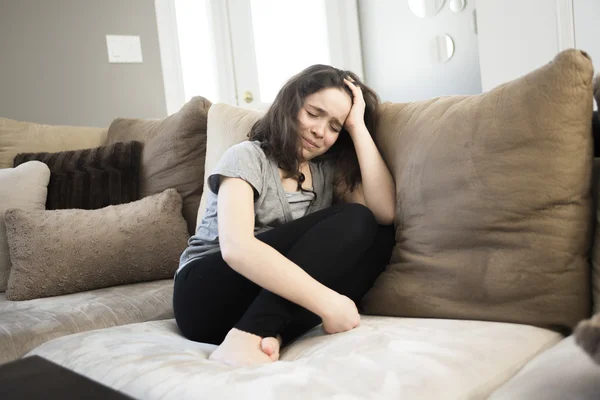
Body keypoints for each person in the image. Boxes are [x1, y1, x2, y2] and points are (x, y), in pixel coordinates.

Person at [173, 64, 396, 366]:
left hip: (254, 306)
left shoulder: (326, 172)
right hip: (204, 296)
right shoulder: (247, 157)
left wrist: (357, 126)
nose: (320, 131)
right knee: (354, 218)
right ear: (291, 105)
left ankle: (265, 332)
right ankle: (252, 332)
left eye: (334, 127)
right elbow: (236, 248)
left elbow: (384, 212)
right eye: (314, 114)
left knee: (379, 237)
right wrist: (329, 303)